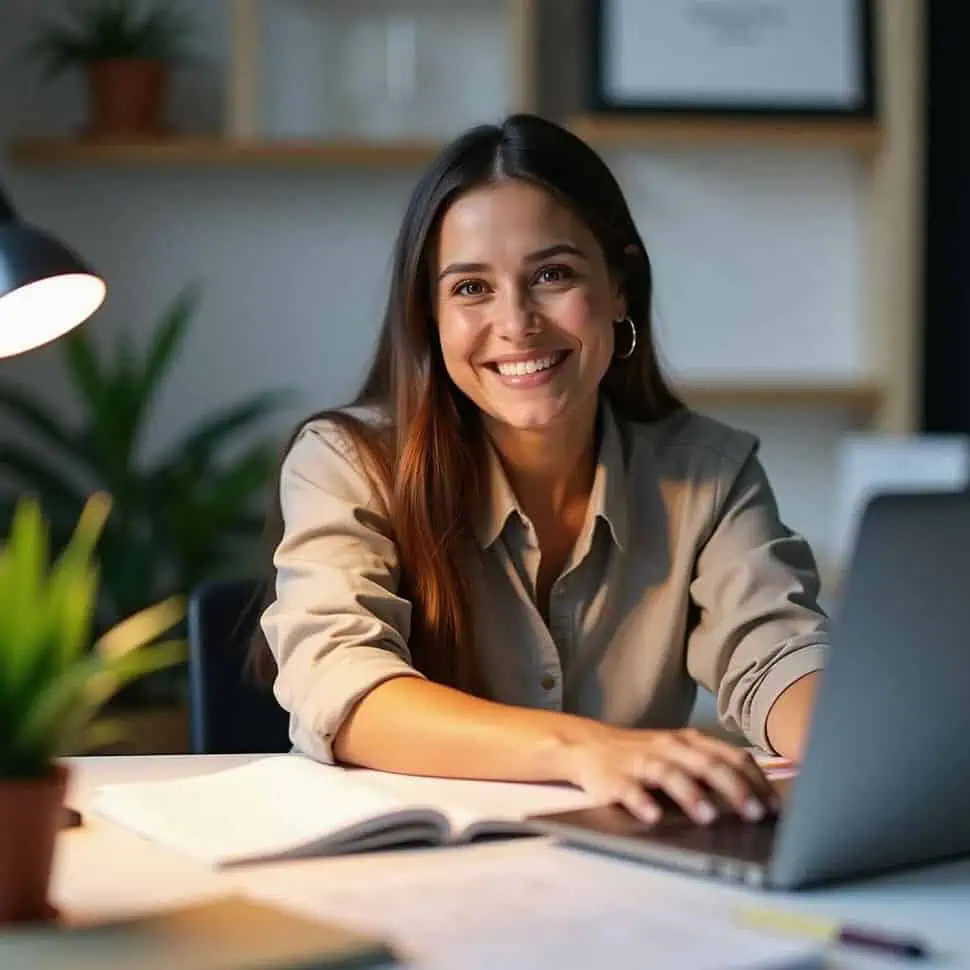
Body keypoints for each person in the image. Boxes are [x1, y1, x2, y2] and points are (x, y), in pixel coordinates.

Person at [250, 113, 829, 828]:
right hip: (405, 873)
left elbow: (777, 655)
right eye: (470, 288)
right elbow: (341, 685)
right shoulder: (346, 462)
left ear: (619, 288)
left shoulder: (711, 472)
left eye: (552, 274)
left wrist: (851, 741)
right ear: (427, 314)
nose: (516, 322)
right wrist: (587, 749)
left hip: (633, 881)